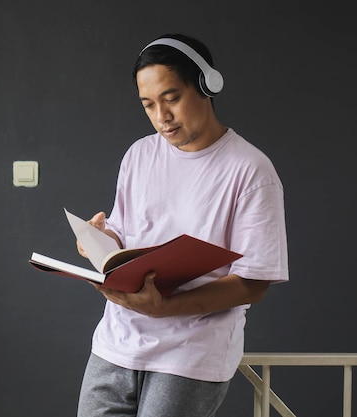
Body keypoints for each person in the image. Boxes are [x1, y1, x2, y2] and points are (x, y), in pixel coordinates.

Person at [75, 33, 289, 417]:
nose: (162, 117)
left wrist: (165, 308)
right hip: (117, 342)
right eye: (149, 105)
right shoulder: (139, 155)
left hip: (192, 352)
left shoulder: (251, 171)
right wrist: (102, 241)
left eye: (171, 98)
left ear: (207, 86)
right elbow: (127, 235)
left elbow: (254, 284)